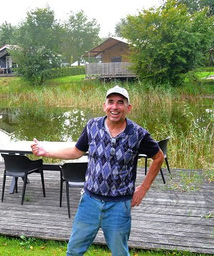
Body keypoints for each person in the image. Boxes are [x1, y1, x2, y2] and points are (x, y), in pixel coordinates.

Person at [31, 85, 164, 256]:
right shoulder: (92, 126)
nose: (114, 107)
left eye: (120, 103)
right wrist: (45, 151)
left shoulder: (138, 134)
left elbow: (159, 157)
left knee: (120, 253)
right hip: (89, 201)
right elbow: (76, 152)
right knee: (73, 251)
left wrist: (143, 189)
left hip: (119, 205)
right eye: (110, 102)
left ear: (128, 108)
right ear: (104, 105)